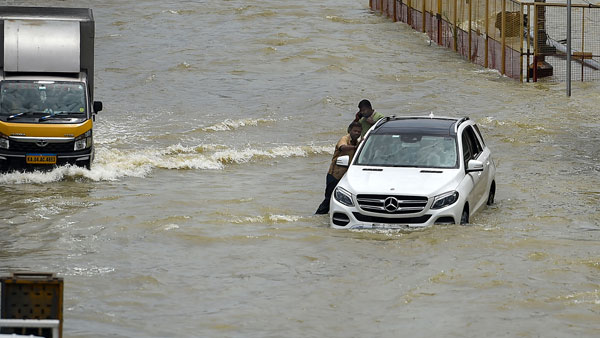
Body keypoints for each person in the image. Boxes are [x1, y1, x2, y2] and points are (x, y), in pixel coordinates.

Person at [315, 122, 362, 214]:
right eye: (355, 131)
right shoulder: (344, 139)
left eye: (359, 132)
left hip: (346, 177)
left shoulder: (356, 142)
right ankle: (317, 216)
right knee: (328, 199)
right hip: (335, 175)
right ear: (349, 131)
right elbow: (342, 148)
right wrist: (356, 147)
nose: (357, 133)